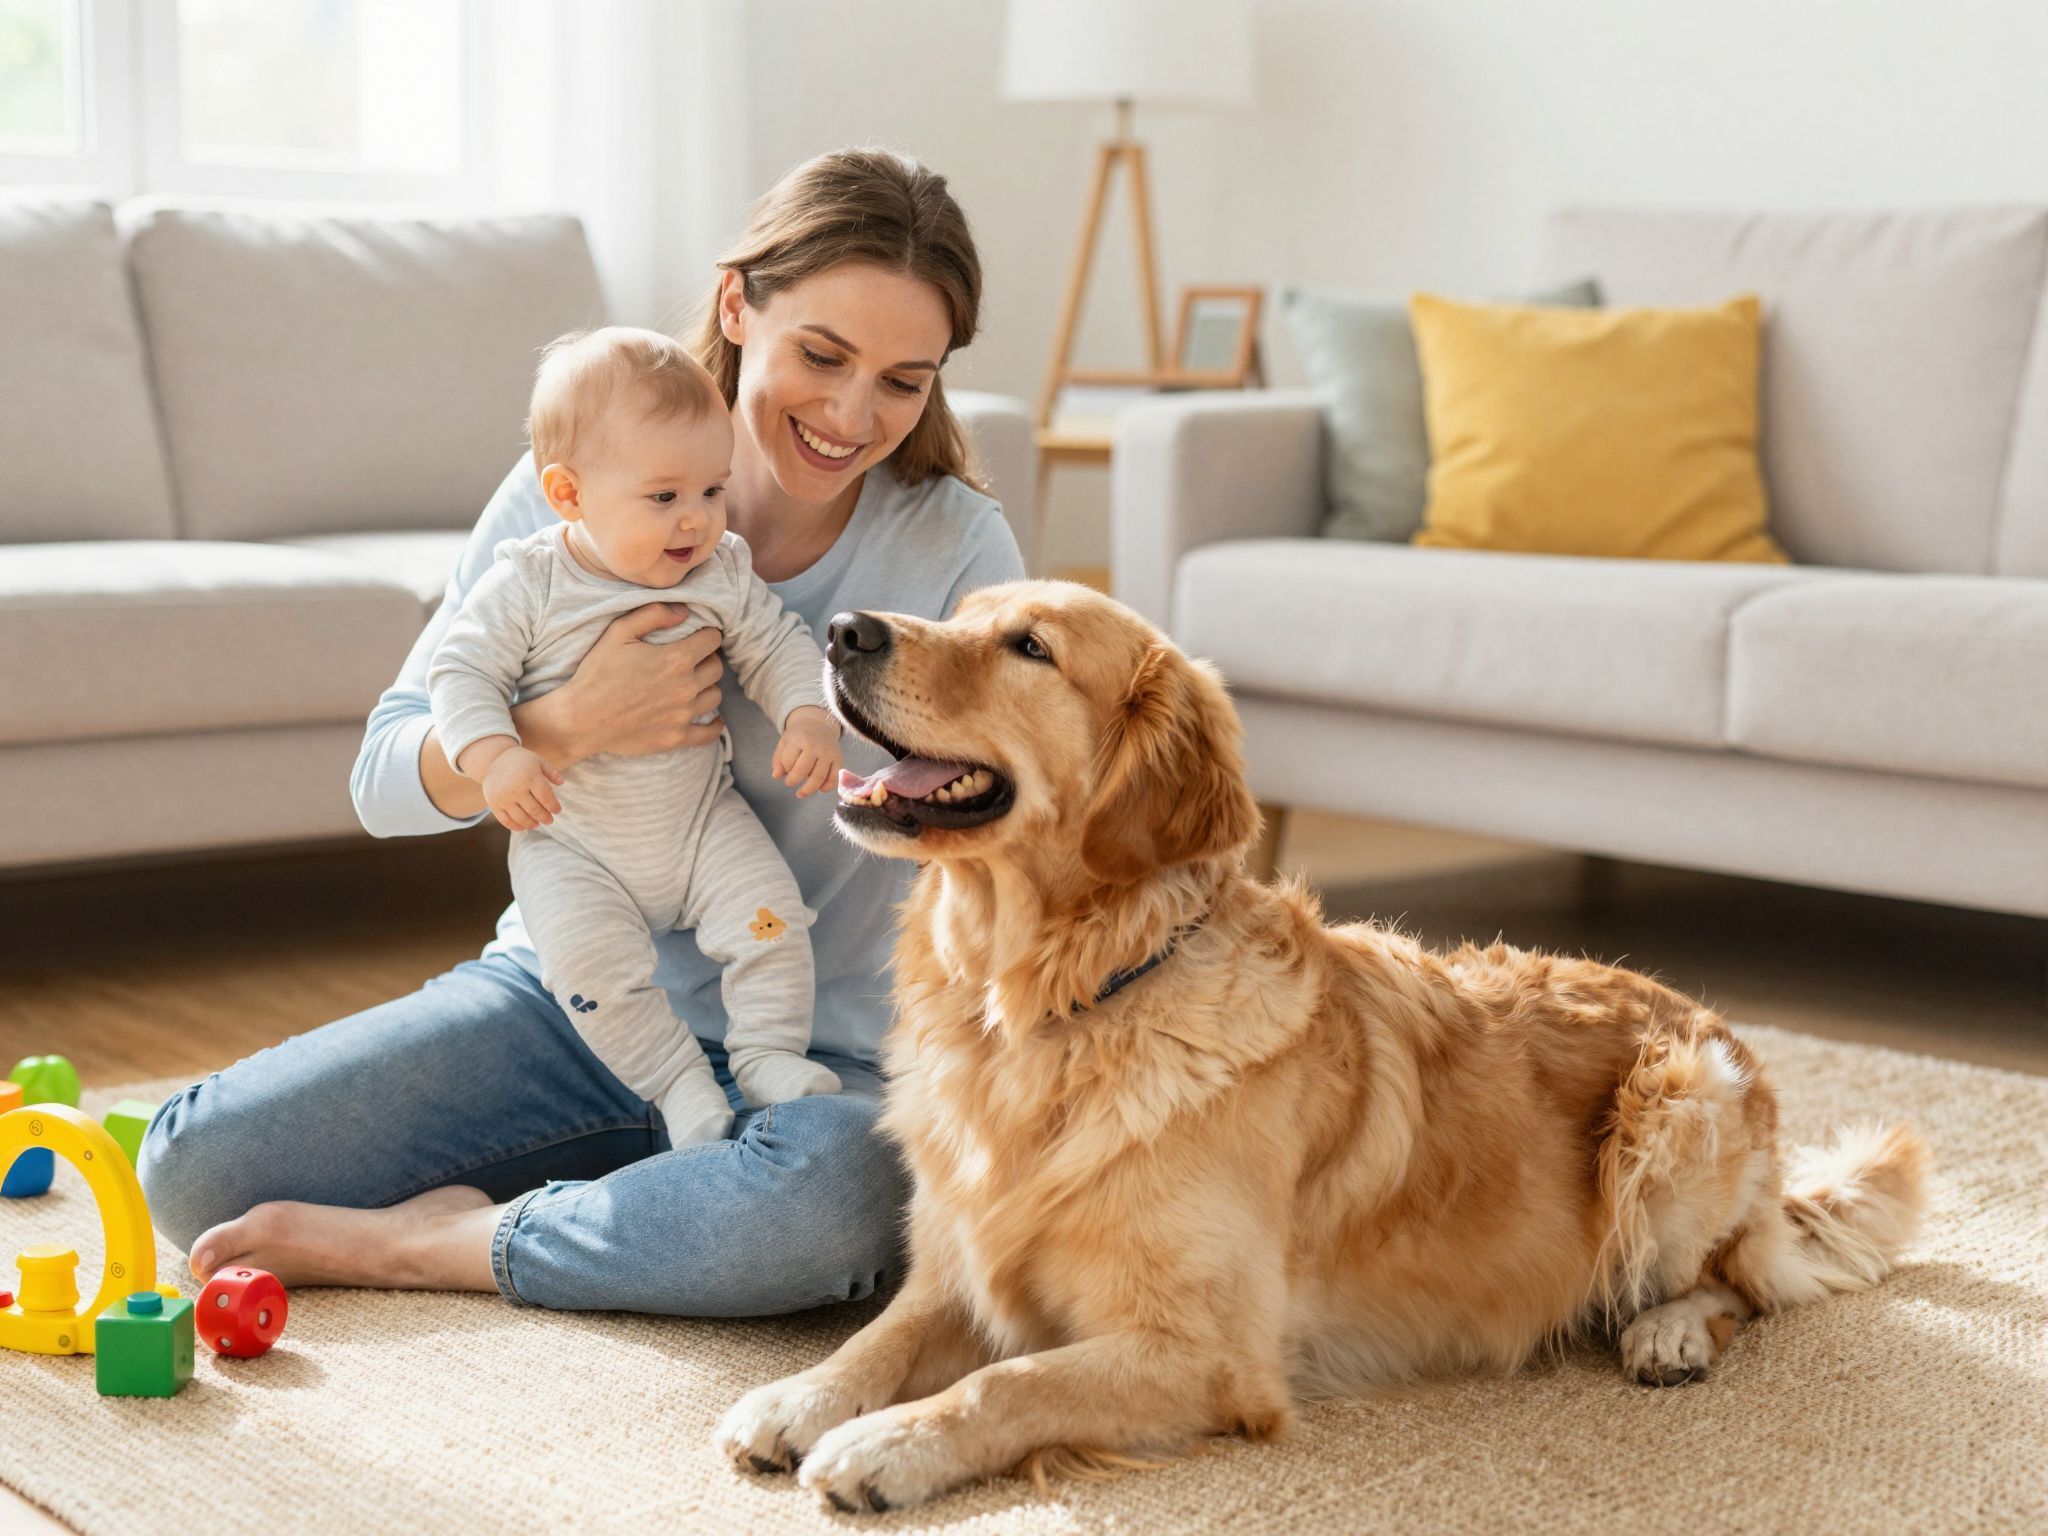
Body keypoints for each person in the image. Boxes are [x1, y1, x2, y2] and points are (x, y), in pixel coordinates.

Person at [136, 147, 1024, 1318]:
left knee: (821, 1214)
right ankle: (651, 1190)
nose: (853, 415)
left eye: (903, 380)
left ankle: (441, 1244)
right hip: (569, 1001)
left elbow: (1023, 814)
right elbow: (382, 779)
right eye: (821, 356)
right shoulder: (577, 488)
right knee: (197, 1167)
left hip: (830, 1052)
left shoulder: (954, 547)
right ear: (735, 305)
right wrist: (557, 726)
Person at [430, 325, 844, 1148]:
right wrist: (499, 755)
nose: (695, 520)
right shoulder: (531, 580)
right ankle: (679, 1084)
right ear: (567, 494)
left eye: (712, 491)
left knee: (773, 922)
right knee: (591, 976)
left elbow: (777, 643)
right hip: (570, 843)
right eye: (663, 498)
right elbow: (459, 676)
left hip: (699, 823)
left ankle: (765, 1054)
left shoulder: (720, 568)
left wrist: (807, 713)